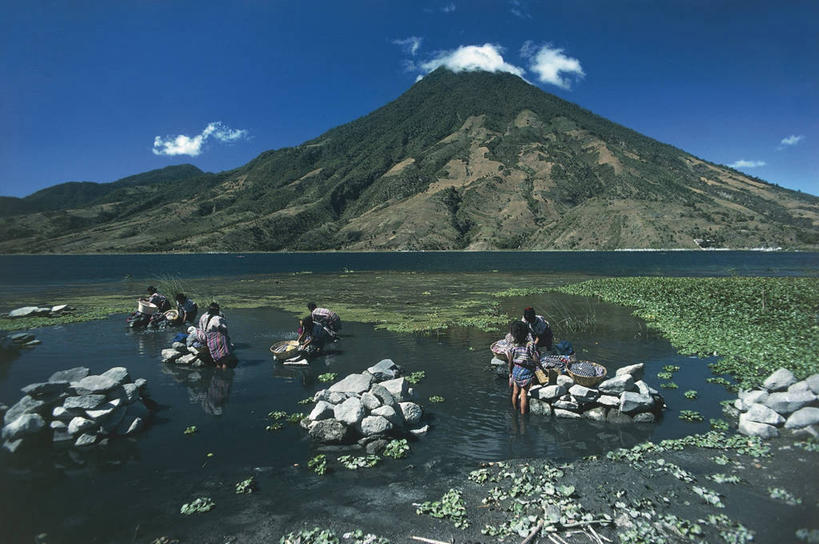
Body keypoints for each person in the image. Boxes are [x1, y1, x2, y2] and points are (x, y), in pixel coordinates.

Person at [506, 320, 540, 415]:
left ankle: (515, 409)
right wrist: (540, 366)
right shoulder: (529, 345)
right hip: (526, 371)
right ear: (526, 333)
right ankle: (523, 414)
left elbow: (510, 362)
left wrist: (510, 373)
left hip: (516, 371)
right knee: (523, 394)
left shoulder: (512, 346)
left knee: (515, 393)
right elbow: (535, 358)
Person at [197, 302, 235, 369]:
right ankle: (224, 375)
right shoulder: (219, 318)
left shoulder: (203, 317)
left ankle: (217, 375)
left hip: (210, 338)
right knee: (224, 361)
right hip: (220, 337)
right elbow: (224, 328)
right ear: (217, 310)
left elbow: (201, 328)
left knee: (217, 360)